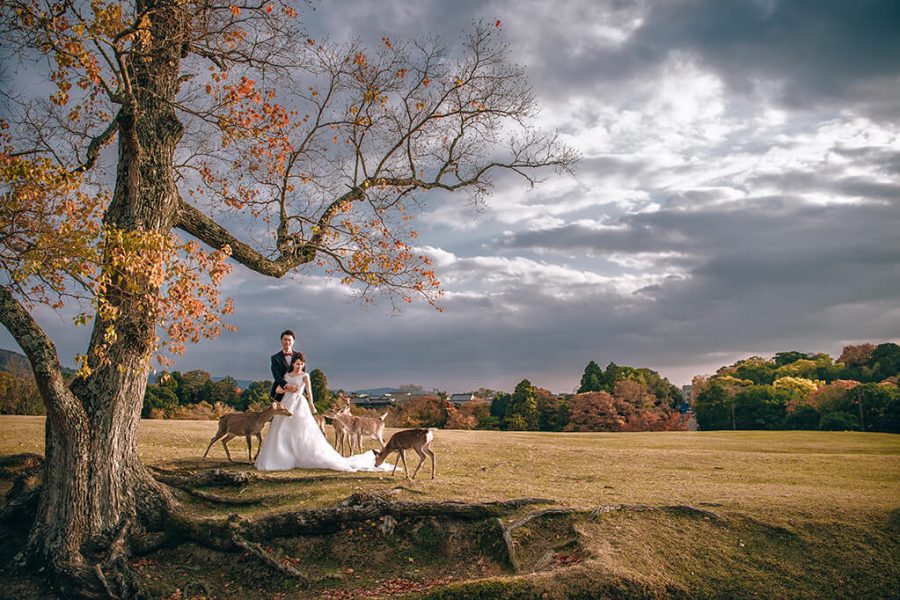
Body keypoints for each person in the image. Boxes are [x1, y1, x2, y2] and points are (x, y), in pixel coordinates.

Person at [255, 352, 393, 472]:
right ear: (293, 364)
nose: (299, 366)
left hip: (299, 404)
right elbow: (278, 390)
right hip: (287, 402)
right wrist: (287, 388)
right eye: (297, 364)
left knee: (302, 430)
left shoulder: (305, 376)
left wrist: (311, 404)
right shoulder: (287, 375)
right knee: (281, 430)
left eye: (302, 364)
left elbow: (309, 392)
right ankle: (281, 457)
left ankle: (301, 456)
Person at [270, 329, 303, 401]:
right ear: (281, 341)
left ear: (293, 341)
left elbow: (302, 374)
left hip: (296, 391)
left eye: (289, 340)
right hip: (279, 392)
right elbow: (276, 375)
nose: (287, 342)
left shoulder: (299, 356)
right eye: (285, 339)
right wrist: (287, 386)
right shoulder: (275, 358)